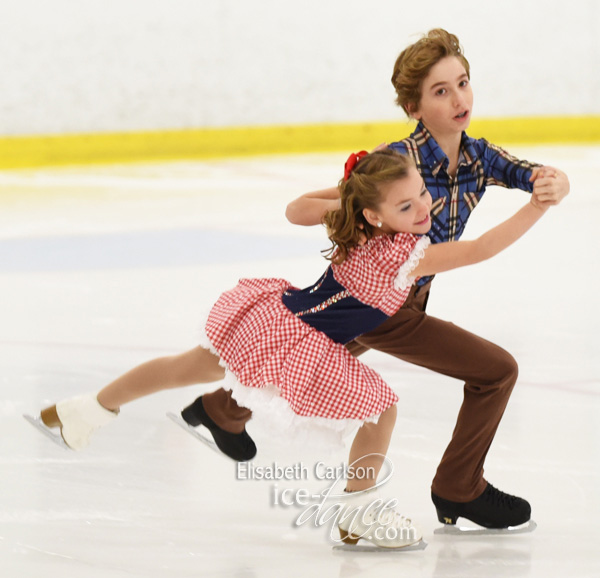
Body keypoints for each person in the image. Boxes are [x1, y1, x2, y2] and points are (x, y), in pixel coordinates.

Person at [30, 148, 550, 547]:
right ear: (375, 214)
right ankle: (356, 511)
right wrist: (537, 206)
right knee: (380, 410)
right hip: (304, 341)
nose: (422, 209)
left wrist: (348, 191)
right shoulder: (404, 258)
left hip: (275, 318)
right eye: (406, 204)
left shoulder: (358, 225)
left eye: (421, 193)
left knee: (183, 368)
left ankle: (87, 410)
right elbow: (480, 249)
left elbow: (296, 209)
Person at [192, 29, 570, 530]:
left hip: (389, 302)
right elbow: (301, 208)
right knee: (496, 371)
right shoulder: (395, 162)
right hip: (381, 297)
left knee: (302, 360)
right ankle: (459, 487)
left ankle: (221, 408)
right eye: (441, 91)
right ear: (414, 105)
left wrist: (552, 181)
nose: (459, 99)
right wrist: (357, 206)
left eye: (463, 83)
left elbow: (532, 173)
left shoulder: (478, 156)